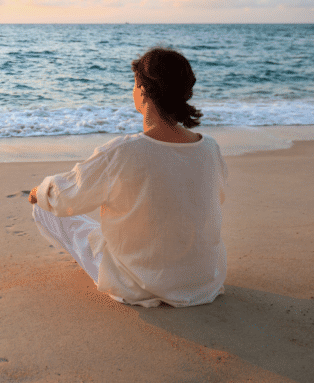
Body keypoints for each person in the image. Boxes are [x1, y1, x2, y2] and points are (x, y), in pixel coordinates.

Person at [29, 47, 227, 307]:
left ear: (144, 90)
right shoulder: (209, 147)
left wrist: (38, 192)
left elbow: (63, 196)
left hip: (138, 284)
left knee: (44, 207)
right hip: (203, 281)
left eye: (135, 85)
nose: (133, 91)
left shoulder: (123, 151)